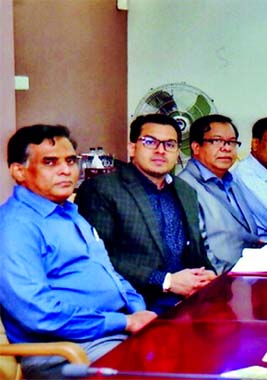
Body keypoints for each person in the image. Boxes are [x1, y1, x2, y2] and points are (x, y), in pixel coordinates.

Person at [0, 125, 156, 378]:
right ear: (19, 171)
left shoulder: (69, 212)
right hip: (64, 350)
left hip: (115, 331)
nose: (65, 170)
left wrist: (138, 310)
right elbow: (37, 312)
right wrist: (124, 322)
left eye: (71, 161)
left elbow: (110, 274)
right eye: (50, 162)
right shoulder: (15, 227)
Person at [76, 114, 216, 314]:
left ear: (178, 152)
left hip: (188, 299)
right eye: (150, 142)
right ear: (132, 147)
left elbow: (197, 251)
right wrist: (166, 281)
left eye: (169, 144)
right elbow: (100, 258)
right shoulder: (103, 189)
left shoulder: (185, 190)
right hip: (138, 303)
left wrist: (209, 276)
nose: (160, 150)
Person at [177, 114, 259, 274]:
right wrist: (225, 282)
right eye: (216, 141)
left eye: (231, 142)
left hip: (248, 273)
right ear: (196, 147)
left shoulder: (231, 180)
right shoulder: (185, 186)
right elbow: (199, 250)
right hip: (220, 282)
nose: (226, 148)